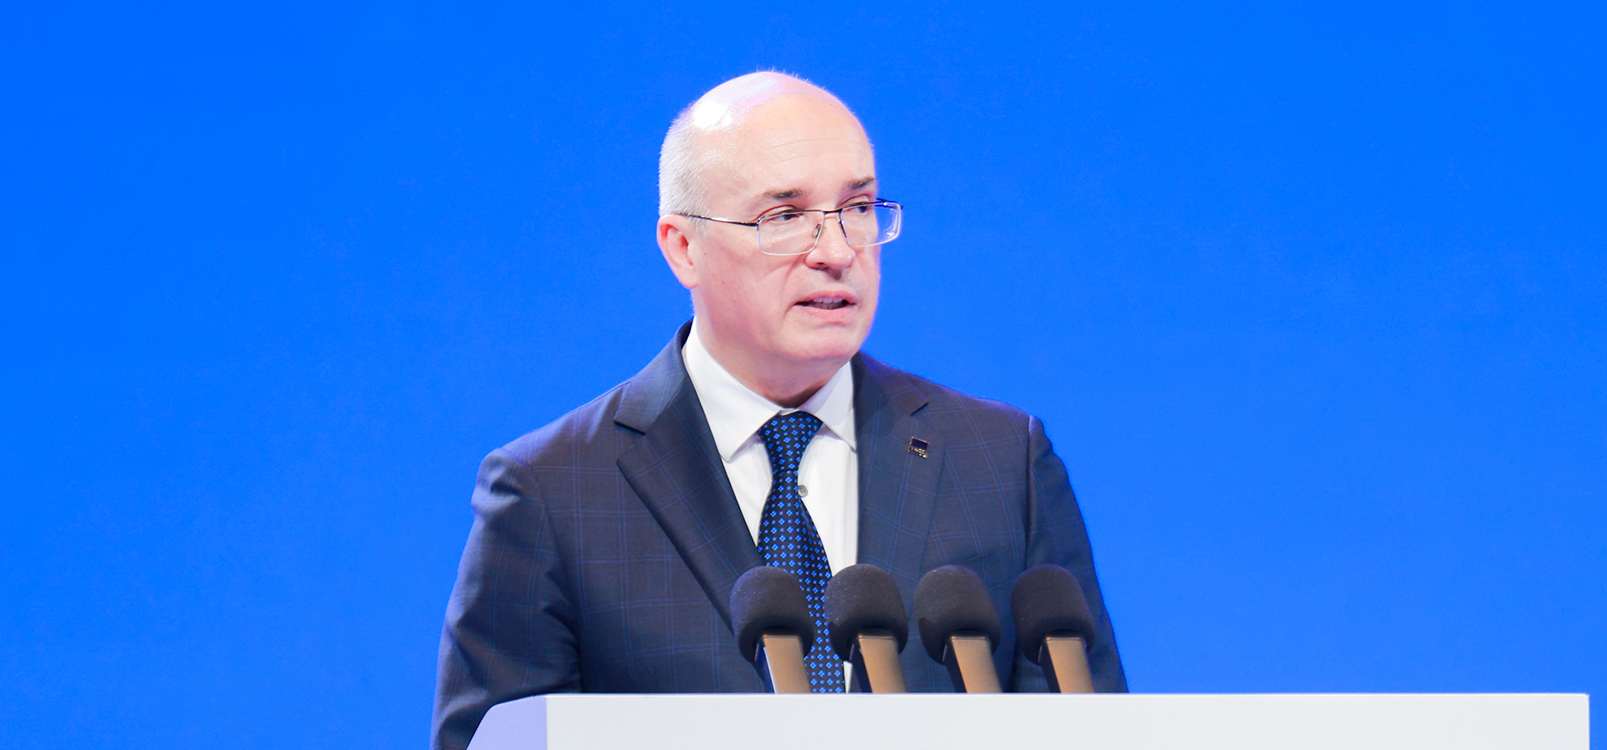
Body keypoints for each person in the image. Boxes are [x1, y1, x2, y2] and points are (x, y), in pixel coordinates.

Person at [431, 72, 1125, 750]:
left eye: (859, 208)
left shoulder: (1000, 460)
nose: (837, 252)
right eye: (786, 217)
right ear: (683, 248)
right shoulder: (553, 492)